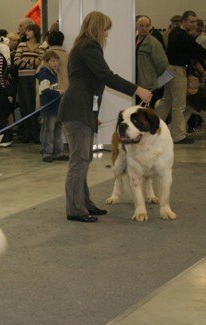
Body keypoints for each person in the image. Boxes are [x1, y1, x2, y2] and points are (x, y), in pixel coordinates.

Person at [58, 11, 152, 223]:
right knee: (79, 161)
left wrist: (92, 115)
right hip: (77, 109)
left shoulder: (80, 47)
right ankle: (75, 209)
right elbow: (106, 77)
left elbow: (90, 82)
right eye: (105, 29)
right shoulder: (89, 46)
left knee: (83, 159)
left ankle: (84, 203)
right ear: (96, 28)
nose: (107, 34)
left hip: (79, 109)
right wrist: (137, 90)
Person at [155, 10, 206, 145]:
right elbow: (196, 50)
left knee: (166, 101)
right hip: (177, 70)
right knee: (179, 104)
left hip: (170, 69)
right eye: (191, 21)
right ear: (184, 21)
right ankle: (178, 135)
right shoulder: (182, 35)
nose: (194, 24)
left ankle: (152, 127)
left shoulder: (175, 32)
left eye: (195, 21)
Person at [35, 50, 66, 162]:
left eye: (57, 61)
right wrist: (59, 93)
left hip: (56, 107)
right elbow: (45, 91)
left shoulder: (54, 74)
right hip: (48, 109)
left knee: (58, 129)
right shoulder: (44, 74)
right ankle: (47, 152)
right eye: (53, 61)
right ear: (46, 61)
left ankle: (58, 151)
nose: (55, 63)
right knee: (48, 130)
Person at [135, 15, 169, 106]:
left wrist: (151, 77)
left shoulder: (154, 43)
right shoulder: (132, 41)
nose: (144, 28)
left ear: (150, 27)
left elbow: (163, 64)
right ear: (136, 26)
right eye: (141, 26)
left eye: (147, 26)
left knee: (147, 113)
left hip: (148, 86)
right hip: (136, 83)